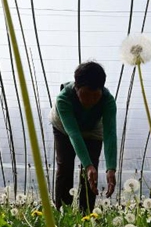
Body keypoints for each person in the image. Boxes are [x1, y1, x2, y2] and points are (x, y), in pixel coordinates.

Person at [50, 61, 117, 212]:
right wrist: (87, 165)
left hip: (92, 129)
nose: (90, 100)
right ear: (76, 88)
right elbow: (73, 134)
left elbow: (110, 133)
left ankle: (86, 214)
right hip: (64, 128)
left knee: (91, 173)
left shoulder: (108, 101)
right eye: (86, 95)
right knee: (65, 166)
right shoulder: (63, 99)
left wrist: (111, 168)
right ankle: (62, 213)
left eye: (95, 96)